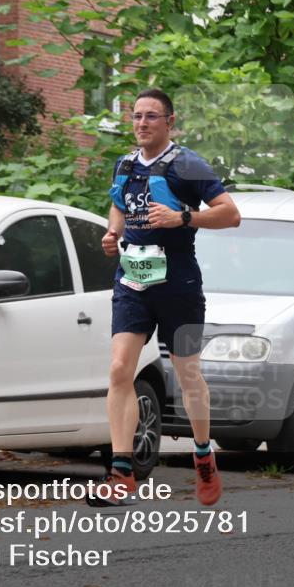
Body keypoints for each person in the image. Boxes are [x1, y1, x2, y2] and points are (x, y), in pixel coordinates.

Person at [87, 88, 240, 507]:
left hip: (179, 284)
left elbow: (231, 213)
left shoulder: (186, 163)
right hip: (134, 280)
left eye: (151, 116)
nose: (141, 123)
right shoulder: (124, 164)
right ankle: (122, 473)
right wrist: (112, 232)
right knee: (120, 369)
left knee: (188, 373)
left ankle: (204, 454)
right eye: (136, 116)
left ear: (169, 122)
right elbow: (118, 205)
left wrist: (183, 217)